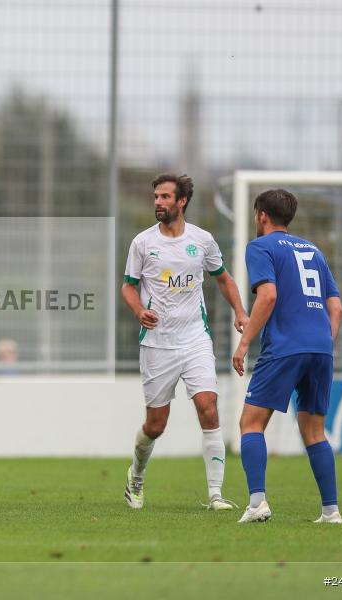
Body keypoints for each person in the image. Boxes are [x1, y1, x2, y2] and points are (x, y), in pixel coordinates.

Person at [121, 173, 249, 511]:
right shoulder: (142, 243)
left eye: (165, 197)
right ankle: (136, 475)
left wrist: (240, 311)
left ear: (182, 201)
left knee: (208, 406)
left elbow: (223, 279)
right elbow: (128, 287)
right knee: (155, 425)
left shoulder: (202, 240)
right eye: (156, 197)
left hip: (195, 338)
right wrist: (139, 311)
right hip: (157, 344)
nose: (158, 202)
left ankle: (216, 494)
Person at [232, 189, 342, 524]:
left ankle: (257, 503)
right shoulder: (313, 250)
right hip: (321, 348)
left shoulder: (261, 247)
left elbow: (267, 296)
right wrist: (322, 343)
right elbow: (336, 308)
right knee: (315, 432)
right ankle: (331, 511)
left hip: (285, 347)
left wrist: (244, 344)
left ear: (262, 215)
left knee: (251, 423)